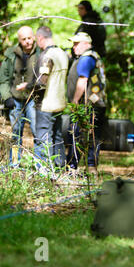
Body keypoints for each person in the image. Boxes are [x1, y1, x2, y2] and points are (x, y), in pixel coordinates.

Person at [0, 25, 40, 165]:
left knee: (37, 131)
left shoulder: (42, 53)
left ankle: (41, 165)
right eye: (24, 39)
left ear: (34, 37)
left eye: (29, 38)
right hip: (15, 100)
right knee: (15, 133)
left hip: (34, 99)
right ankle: (14, 163)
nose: (27, 41)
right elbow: (3, 79)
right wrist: (7, 97)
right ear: (19, 40)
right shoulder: (11, 55)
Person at [66, 32, 107, 176]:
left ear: (86, 44)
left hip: (87, 105)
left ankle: (72, 167)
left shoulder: (86, 58)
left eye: (77, 44)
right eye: (73, 44)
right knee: (93, 137)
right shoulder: (94, 57)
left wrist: (75, 101)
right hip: (98, 103)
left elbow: (82, 81)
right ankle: (92, 168)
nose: (74, 47)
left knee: (76, 135)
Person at [28, 26, 68, 171]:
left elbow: (41, 83)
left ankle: (43, 169)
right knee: (57, 136)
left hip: (46, 104)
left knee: (43, 137)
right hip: (60, 102)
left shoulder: (47, 56)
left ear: (40, 38)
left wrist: (28, 87)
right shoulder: (62, 53)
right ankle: (60, 167)